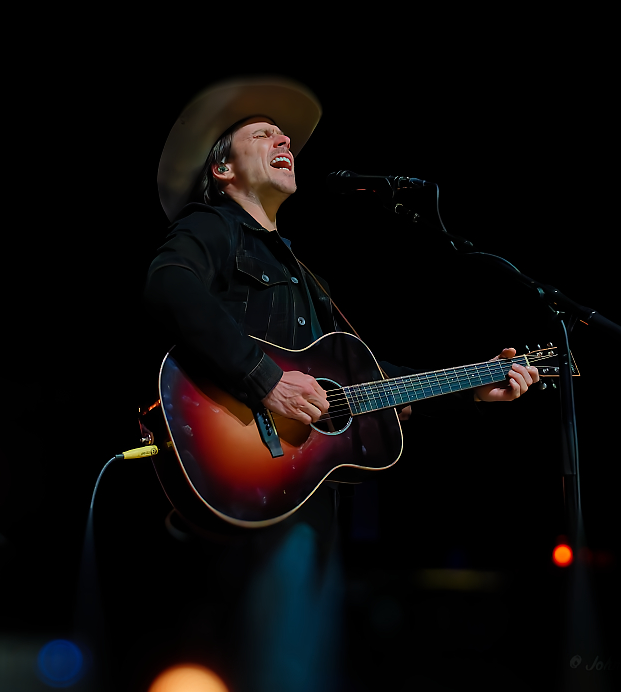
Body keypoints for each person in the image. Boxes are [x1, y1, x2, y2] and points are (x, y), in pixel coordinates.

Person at [143, 77, 539, 692]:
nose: (283, 138)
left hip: (303, 499)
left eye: (285, 135)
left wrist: (473, 390)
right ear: (222, 169)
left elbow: (365, 392)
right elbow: (169, 287)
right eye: (261, 133)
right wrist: (265, 380)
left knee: (302, 662)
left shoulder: (308, 277)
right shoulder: (212, 227)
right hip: (240, 476)